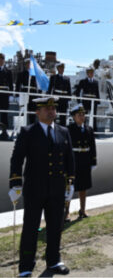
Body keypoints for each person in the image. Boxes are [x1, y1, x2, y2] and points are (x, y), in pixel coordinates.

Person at [8, 97, 75, 277]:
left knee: (55, 226)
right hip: (34, 189)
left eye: (53, 108)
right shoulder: (28, 132)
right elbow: (17, 159)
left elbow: (69, 158)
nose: (51, 111)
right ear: (37, 112)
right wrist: (15, 183)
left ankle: (54, 260)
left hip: (56, 189)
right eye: (47, 108)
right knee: (31, 228)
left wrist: (70, 183)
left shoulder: (63, 131)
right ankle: (26, 266)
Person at [67, 104, 97, 219]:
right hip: (74, 160)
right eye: (79, 115)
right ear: (74, 117)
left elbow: (92, 146)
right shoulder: (69, 129)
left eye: (83, 114)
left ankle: (83, 210)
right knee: (69, 187)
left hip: (85, 160)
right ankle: (66, 212)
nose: (82, 117)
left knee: (83, 187)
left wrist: (93, 161)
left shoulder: (89, 129)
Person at [74, 67, 100, 131]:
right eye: (90, 73)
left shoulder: (96, 82)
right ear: (87, 73)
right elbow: (77, 91)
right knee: (84, 115)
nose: (91, 74)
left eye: (92, 73)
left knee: (94, 116)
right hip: (85, 100)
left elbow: (97, 92)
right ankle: (84, 129)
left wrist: (98, 101)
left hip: (93, 101)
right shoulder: (83, 81)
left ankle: (94, 131)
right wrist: (79, 101)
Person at [16, 59, 39, 125]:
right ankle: (22, 127)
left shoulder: (36, 74)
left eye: (30, 63)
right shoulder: (21, 74)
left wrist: (38, 96)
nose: (28, 65)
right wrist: (17, 96)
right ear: (25, 65)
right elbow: (18, 85)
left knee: (32, 112)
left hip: (33, 94)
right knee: (22, 111)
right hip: (24, 93)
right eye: (27, 63)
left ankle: (32, 127)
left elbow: (38, 86)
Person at [0, 53, 13, 128]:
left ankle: (4, 130)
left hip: (5, 94)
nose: (0, 61)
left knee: (4, 112)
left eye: (2, 59)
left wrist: (11, 95)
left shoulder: (8, 71)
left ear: (4, 60)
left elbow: (10, 84)